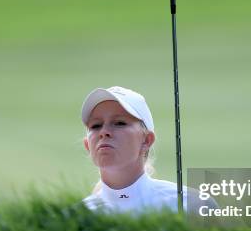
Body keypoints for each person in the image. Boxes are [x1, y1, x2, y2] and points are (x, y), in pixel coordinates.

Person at [80, 86, 188, 214]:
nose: (104, 132)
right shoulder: (76, 217)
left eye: (119, 123)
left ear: (146, 140)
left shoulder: (190, 203)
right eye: (96, 125)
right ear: (88, 145)